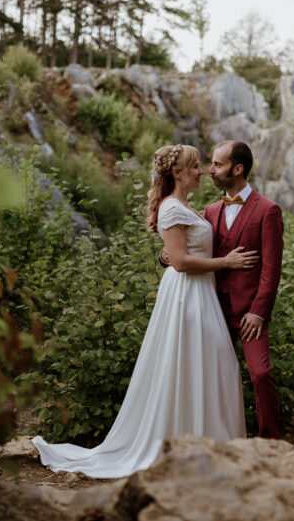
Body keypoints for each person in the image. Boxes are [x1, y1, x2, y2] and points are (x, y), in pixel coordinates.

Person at [32, 144, 255, 479]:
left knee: (215, 364)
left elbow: (174, 253)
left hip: (202, 293)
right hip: (186, 296)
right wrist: (226, 262)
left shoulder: (188, 207)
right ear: (178, 174)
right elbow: (179, 261)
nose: (201, 171)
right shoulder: (171, 208)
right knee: (197, 363)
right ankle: (190, 444)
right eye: (195, 166)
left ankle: (216, 444)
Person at [162, 140, 284, 439]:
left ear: (238, 169)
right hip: (212, 307)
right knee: (212, 373)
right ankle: (216, 436)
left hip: (249, 313)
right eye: (210, 164)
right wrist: (166, 256)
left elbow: (272, 269)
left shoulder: (268, 210)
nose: (210, 170)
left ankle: (272, 441)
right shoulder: (212, 210)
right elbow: (195, 250)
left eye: (218, 164)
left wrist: (258, 312)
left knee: (261, 373)